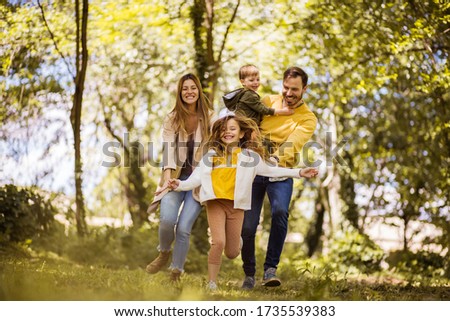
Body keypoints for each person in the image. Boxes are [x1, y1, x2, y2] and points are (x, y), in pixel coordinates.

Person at [167, 114, 318, 290]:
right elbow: (195, 179)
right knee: (218, 243)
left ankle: (234, 240)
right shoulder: (211, 156)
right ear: (218, 134)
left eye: (232, 129)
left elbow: (271, 171)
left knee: (232, 253)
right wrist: (178, 184)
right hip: (215, 203)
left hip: (236, 207)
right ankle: (212, 282)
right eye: (224, 129)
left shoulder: (249, 157)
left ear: (241, 134)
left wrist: (299, 173)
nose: (227, 132)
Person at [240, 66, 318, 289]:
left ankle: (270, 269)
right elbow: (250, 127)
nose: (289, 93)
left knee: (280, 211)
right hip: (254, 170)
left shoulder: (308, 118)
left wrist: (272, 160)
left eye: (295, 89)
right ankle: (249, 274)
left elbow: (294, 143)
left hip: (281, 171)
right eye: (286, 88)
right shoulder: (267, 101)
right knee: (248, 225)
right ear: (281, 85)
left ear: (304, 88)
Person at [146, 73, 213, 281]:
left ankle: (176, 271)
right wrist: (166, 179)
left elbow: (217, 142)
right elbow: (167, 149)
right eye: (185, 88)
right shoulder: (172, 118)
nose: (189, 92)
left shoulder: (209, 116)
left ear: (199, 90)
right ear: (180, 92)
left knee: (184, 229)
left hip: (197, 181)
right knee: (167, 220)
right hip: (174, 177)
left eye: (193, 87)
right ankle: (164, 251)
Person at [222, 64, 293, 126]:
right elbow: (263, 109)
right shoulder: (249, 95)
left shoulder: (247, 93)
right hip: (245, 126)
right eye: (251, 80)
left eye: (258, 79)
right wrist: (282, 111)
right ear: (242, 82)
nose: (256, 83)